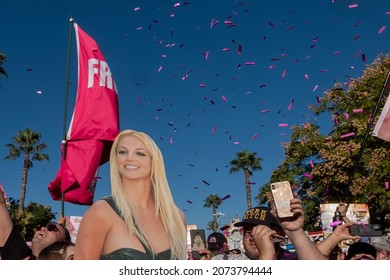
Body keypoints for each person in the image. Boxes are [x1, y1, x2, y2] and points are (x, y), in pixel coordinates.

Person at [74, 129, 187, 260]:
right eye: (122, 152)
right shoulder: (101, 212)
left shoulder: (176, 217)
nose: (129, 158)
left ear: (154, 161)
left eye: (140, 153)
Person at [213, 199, 327, 260]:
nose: (253, 237)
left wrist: (296, 232)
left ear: (279, 234)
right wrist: (266, 254)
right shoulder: (225, 261)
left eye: (261, 231)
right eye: (248, 232)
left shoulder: (294, 259)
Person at [0, 188, 71, 260]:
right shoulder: (18, 254)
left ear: (62, 245)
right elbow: (1, 204)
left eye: (52, 227)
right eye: (43, 226)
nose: (43, 228)